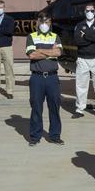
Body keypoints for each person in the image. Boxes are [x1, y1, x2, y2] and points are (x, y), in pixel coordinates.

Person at [26, 13, 63, 145]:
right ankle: (35, 137)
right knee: (36, 107)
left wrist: (40, 50)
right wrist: (49, 52)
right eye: (42, 21)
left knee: (54, 107)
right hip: (37, 78)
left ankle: (55, 135)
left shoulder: (55, 36)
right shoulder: (32, 37)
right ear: (38, 23)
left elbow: (58, 53)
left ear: (50, 23)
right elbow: (32, 55)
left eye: (47, 22)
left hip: (52, 77)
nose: (44, 24)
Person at [73, 4, 95, 118]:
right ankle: (80, 109)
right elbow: (78, 41)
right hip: (83, 59)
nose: (89, 12)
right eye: (87, 10)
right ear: (84, 12)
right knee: (81, 85)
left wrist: (86, 36)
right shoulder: (79, 25)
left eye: (91, 10)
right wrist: (93, 38)